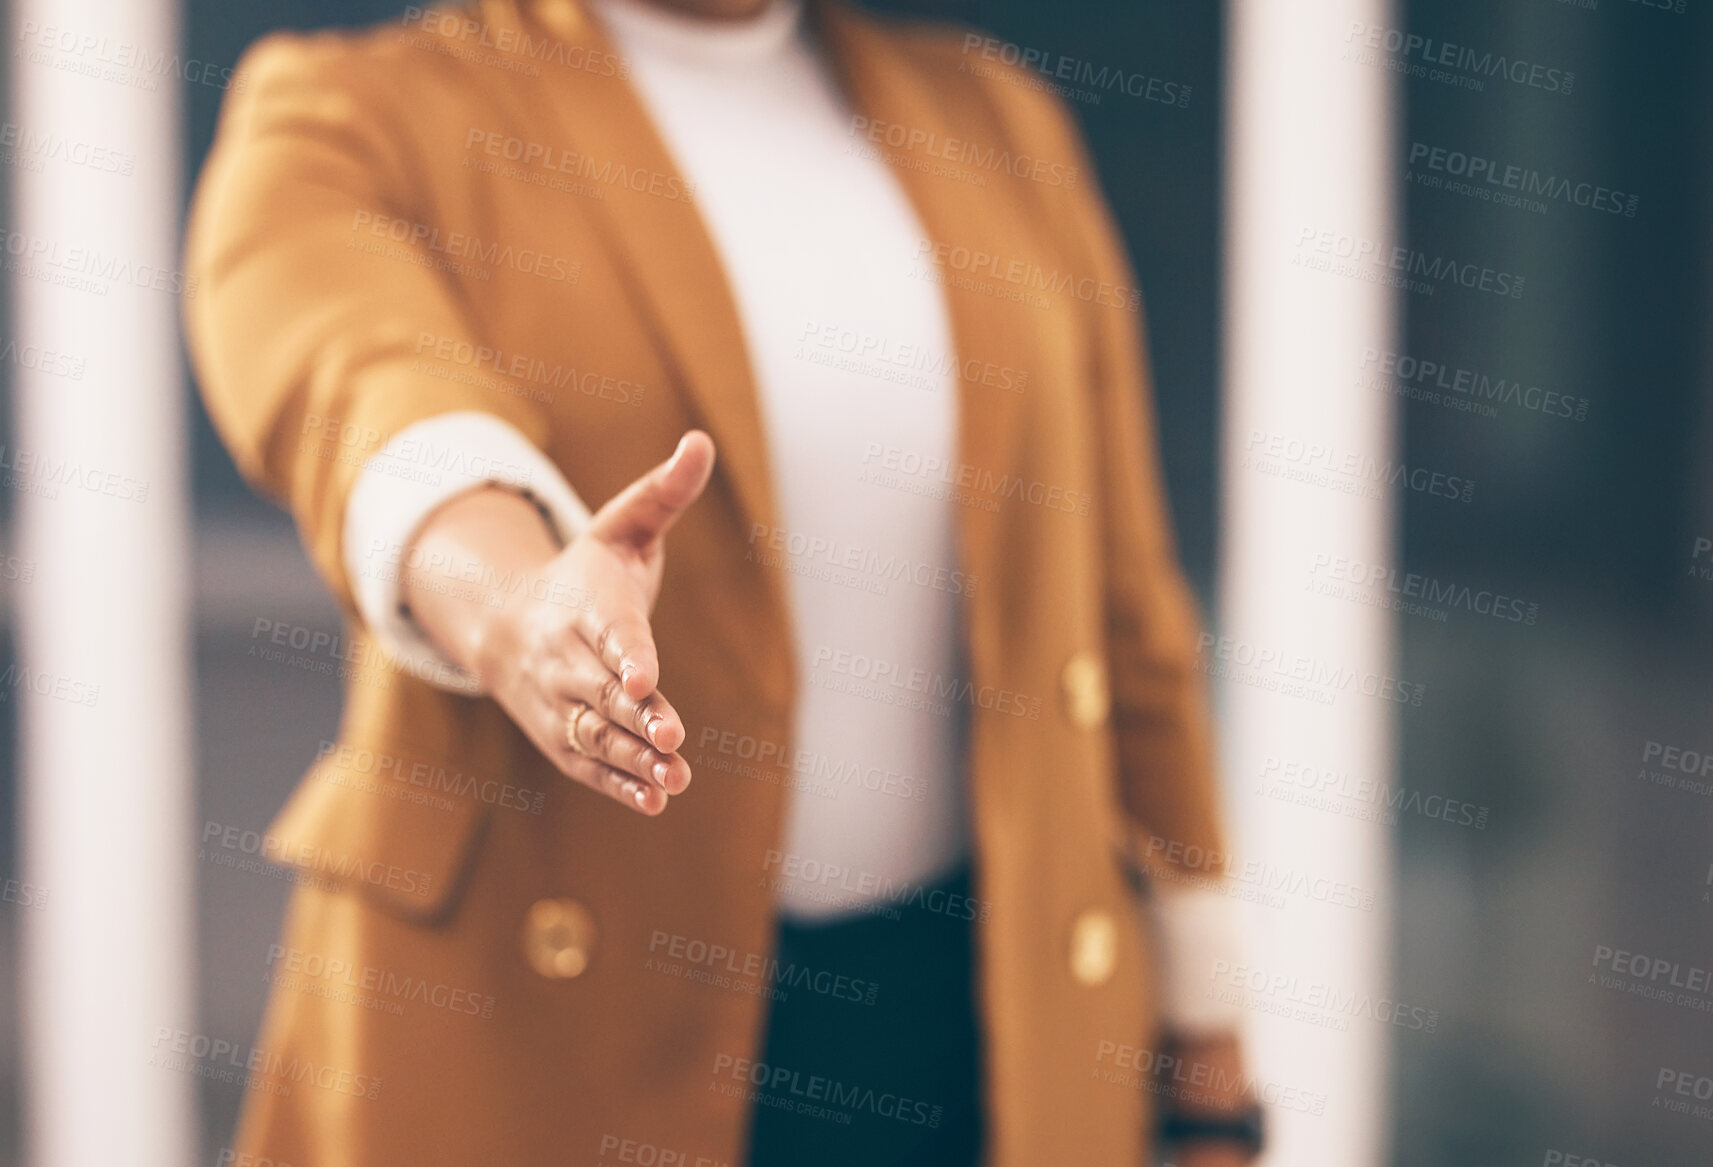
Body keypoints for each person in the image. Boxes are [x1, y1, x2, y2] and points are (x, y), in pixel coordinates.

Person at [185, 0, 1263, 1162]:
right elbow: (363, 391)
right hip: (544, 1032)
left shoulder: (997, 120)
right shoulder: (352, 114)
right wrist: (518, 612)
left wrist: (1211, 1069)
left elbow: (1124, 607)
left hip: (979, 1036)